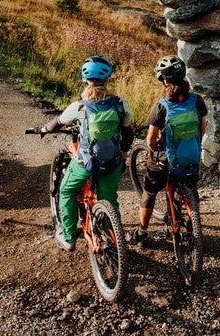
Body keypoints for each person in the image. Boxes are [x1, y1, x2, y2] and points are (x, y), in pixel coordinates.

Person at [39, 55, 133, 251]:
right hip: (112, 162)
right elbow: (128, 134)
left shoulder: (79, 106)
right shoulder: (119, 103)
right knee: (109, 200)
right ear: (107, 79)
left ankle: (69, 238)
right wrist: (123, 155)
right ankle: (113, 240)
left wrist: (44, 129)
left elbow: (57, 123)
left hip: (86, 163)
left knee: (66, 191)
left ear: (85, 79)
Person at [133, 54, 207, 246]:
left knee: (149, 191)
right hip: (191, 156)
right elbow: (202, 130)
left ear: (164, 81)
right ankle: (193, 226)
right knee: (190, 188)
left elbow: (150, 141)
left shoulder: (161, 107)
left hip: (165, 160)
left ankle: (141, 233)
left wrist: (152, 151)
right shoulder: (197, 101)